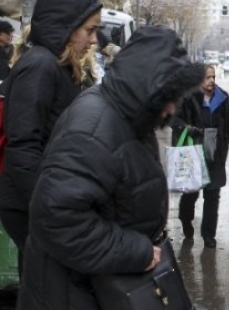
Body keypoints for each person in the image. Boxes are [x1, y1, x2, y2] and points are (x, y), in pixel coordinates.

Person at [17, 26, 206, 310]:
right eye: (169, 97)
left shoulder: (127, 116)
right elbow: (56, 218)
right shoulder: (94, 130)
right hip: (75, 294)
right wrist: (138, 252)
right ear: (147, 86)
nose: (172, 110)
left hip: (95, 287)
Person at [0, 0, 102, 275]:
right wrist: (49, 207)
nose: (93, 40)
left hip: (42, 198)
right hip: (30, 203)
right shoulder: (40, 66)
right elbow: (23, 146)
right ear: (67, 27)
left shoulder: (56, 66)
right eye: (89, 30)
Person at [171, 64, 229, 249]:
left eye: (213, 77)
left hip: (215, 154)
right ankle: (186, 221)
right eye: (207, 77)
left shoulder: (222, 97)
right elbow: (174, 120)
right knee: (191, 195)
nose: (211, 81)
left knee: (213, 196)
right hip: (193, 153)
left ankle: (208, 235)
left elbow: (228, 125)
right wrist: (189, 128)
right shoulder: (187, 97)